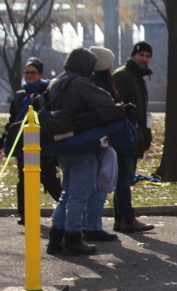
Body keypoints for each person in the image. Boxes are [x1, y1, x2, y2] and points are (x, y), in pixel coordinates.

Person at [46, 48, 117, 257]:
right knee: (79, 195)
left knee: (66, 194)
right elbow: (107, 101)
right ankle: (73, 238)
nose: (92, 72)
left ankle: (56, 238)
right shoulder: (80, 83)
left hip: (62, 146)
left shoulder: (56, 82)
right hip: (81, 144)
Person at [0, 57, 62, 226]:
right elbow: (12, 121)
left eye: (32, 73)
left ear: (40, 74)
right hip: (23, 143)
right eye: (26, 73)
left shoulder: (48, 92)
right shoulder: (20, 96)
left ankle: (70, 209)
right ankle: (25, 213)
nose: (29, 76)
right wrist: (2, 141)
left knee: (48, 178)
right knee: (24, 179)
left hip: (43, 143)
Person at [112, 41, 155, 233]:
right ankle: (127, 218)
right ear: (133, 56)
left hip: (134, 135)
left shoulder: (137, 78)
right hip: (125, 135)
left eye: (147, 56)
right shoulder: (123, 76)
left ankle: (121, 219)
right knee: (124, 178)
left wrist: (145, 133)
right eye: (141, 55)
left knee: (124, 177)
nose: (144, 59)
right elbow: (115, 104)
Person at [83, 47, 120, 242]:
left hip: (88, 141)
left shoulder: (84, 84)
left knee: (83, 185)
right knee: (99, 184)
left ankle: (82, 224)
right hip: (100, 142)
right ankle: (93, 225)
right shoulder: (102, 90)